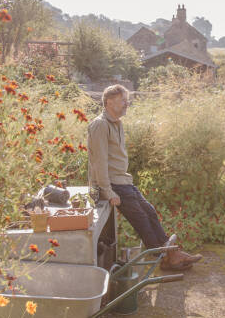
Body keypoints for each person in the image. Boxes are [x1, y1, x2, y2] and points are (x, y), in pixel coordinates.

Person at [87, 84, 203, 271]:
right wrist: (107, 192)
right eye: (122, 100)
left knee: (148, 211)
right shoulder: (100, 125)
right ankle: (167, 257)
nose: (127, 103)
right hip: (112, 185)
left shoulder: (116, 123)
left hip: (122, 181)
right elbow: (98, 162)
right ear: (109, 102)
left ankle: (170, 253)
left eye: (126, 100)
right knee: (141, 218)